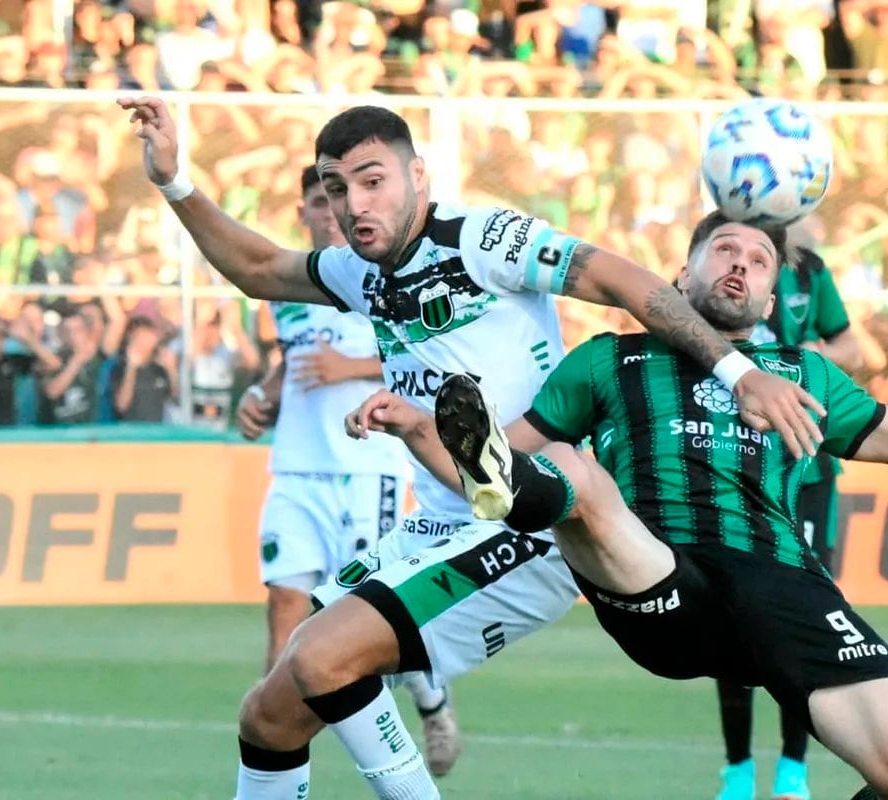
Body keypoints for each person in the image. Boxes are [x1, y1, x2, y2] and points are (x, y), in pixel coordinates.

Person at [118, 95, 824, 800]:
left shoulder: (483, 240)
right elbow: (258, 267)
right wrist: (175, 180)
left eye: (373, 180)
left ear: (417, 177)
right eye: (336, 189)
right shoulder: (356, 273)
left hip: (532, 517)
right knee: (270, 713)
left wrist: (740, 371)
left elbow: (622, 281)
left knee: (326, 659)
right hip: (443, 520)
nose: (352, 204)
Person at [350, 212, 888, 800]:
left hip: (781, 583)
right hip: (656, 575)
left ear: (773, 297)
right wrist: (420, 427)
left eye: (757, 261)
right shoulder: (611, 359)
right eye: (724, 251)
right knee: (565, 471)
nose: (739, 265)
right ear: (680, 273)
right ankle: (544, 498)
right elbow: (487, 458)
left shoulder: (802, 374)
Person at [233, 164, 460, 776]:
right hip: (298, 468)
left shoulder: (382, 278)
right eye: (317, 201)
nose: (329, 212)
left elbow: (419, 363)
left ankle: (431, 701)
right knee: (285, 599)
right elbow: (295, 361)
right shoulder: (289, 290)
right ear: (304, 211)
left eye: (337, 199)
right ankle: (276, 732)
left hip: (370, 469)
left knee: (370, 616)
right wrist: (263, 394)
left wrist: (350, 370)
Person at [718, 241, 863, 800]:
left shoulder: (811, 269)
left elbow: (849, 343)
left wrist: (794, 363)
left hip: (807, 468)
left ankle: (793, 773)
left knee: (806, 610)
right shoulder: (718, 266)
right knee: (732, 610)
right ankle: (735, 772)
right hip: (733, 460)